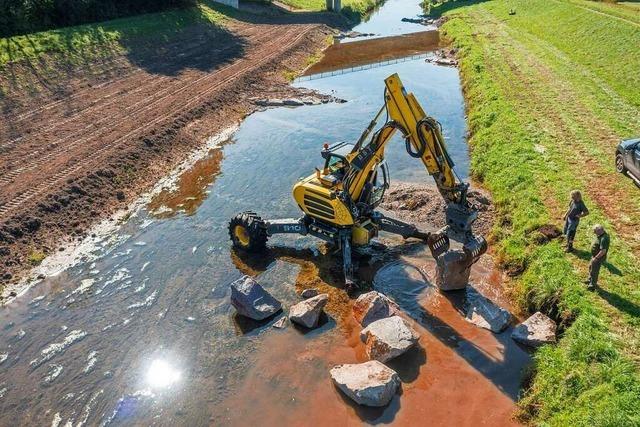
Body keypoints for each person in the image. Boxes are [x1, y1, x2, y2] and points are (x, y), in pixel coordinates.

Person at [586, 224, 610, 290]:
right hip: (594, 256)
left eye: (595, 231)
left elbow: (603, 251)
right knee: (590, 267)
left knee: (594, 271)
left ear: (600, 230)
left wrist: (596, 258)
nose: (594, 233)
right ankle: (589, 279)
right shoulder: (600, 235)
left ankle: (592, 285)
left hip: (598, 258)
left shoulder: (604, 239)